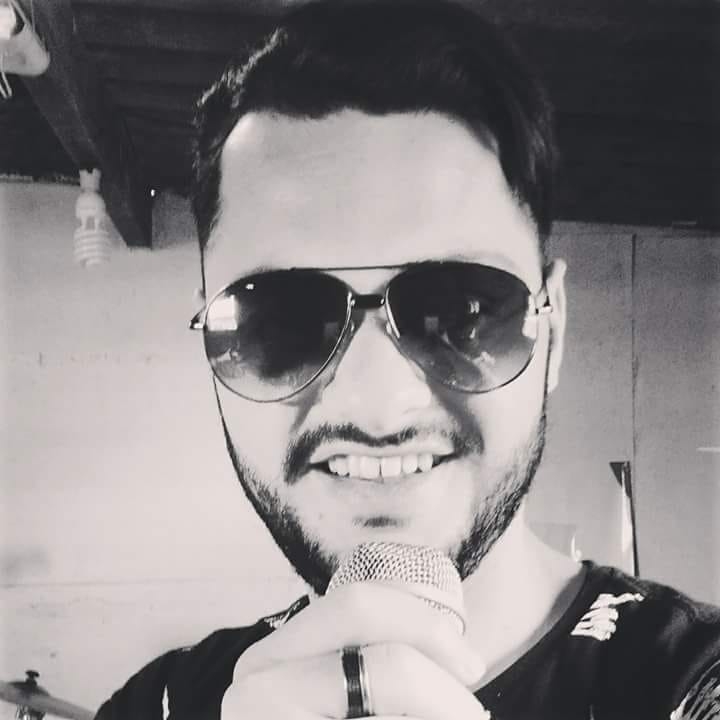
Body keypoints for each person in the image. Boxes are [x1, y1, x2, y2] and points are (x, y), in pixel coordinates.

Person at [95, 1, 720, 718]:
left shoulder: (691, 686)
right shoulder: (158, 705)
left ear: (555, 330)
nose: (377, 403)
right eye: (281, 319)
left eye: (462, 310)